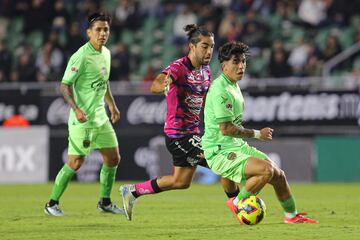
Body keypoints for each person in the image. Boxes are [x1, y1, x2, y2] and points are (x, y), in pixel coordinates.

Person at [120, 24, 238, 221]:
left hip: (193, 133)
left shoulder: (206, 71)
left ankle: (133, 191)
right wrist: (163, 84)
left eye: (211, 46)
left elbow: (206, 99)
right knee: (224, 162)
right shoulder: (179, 67)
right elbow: (157, 83)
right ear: (191, 46)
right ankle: (239, 205)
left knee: (180, 181)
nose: (209, 51)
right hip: (179, 136)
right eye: (204, 46)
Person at [202, 41, 318, 224]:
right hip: (219, 151)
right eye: (236, 62)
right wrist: (258, 134)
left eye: (243, 61)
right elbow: (226, 129)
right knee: (266, 171)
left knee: (279, 175)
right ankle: (239, 203)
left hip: (235, 145)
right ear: (224, 66)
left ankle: (291, 216)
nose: (241, 66)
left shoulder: (233, 84)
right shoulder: (220, 90)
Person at [44, 12, 124, 217]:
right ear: (89, 32)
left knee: (113, 158)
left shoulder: (106, 53)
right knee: (75, 162)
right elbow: (64, 86)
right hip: (82, 119)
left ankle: (105, 202)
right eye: (98, 29)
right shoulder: (81, 55)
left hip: (100, 117)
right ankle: (51, 203)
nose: (102, 33)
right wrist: (76, 109)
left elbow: (103, 81)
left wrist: (112, 106)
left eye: (106, 29)